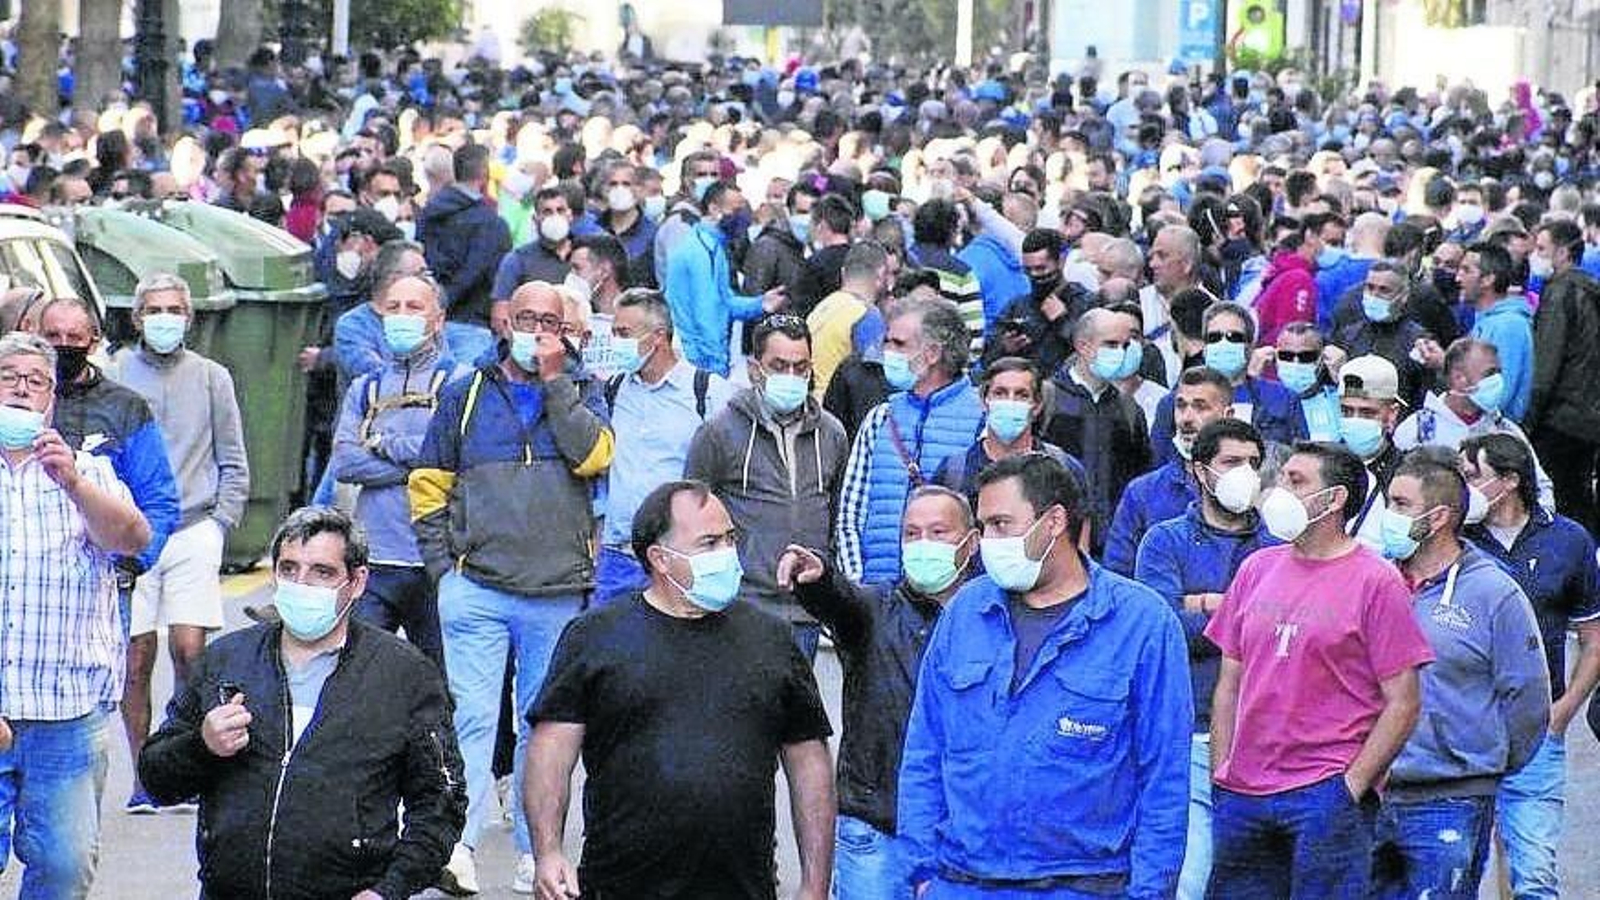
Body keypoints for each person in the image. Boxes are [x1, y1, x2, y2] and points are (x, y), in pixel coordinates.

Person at [897, 453, 1192, 898]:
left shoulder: (1141, 623)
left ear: (1053, 522)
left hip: (1085, 884)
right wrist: (921, 874)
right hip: (961, 881)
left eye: (1001, 525)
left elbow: (1164, 776)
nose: (988, 541)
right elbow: (924, 750)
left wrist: (1149, 893)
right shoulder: (966, 612)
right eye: (983, 526)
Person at [525, 480, 835, 900]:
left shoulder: (771, 639)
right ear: (660, 559)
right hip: (620, 886)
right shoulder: (595, 637)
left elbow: (809, 765)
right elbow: (551, 751)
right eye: (709, 543)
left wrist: (815, 885)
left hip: (742, 887)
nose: (726, 553)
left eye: (730, 539)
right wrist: (547, 852)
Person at [137, 506, 468, 900]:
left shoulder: (404, 675)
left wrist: (389, 889)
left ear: (357, 582)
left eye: (322, 572)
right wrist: (202, 746)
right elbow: (156, 778)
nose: (302, 584)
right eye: (289, 569)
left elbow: (441, 800)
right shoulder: (227, 661)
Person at [408, 280, 613, 893]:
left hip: (556, 591)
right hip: (477, 586)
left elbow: (595, 457)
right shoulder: (465, 392)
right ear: (505, 323)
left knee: (541, 725)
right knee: (471, 719)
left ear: (566, 333)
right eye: (527, 320)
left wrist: (556, 384)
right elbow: (429, 482)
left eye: (550, 323)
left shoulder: (584, 390)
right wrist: (443, 569)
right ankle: (460, 845)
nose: (537, 333)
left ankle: (535, 848)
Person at [1205, 441, 1434, 898]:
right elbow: (1229, 681)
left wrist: (1351, 786)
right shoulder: (1255, 569)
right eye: (1282, 478)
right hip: (1243, 792)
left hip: (1324, 792)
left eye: (1296, 481)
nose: (1279, 491)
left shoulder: (1376, 580)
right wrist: (1222, 771)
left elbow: (1404, 701)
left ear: (1334, 499)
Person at [775, 485, 979, 900]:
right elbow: (839, 599)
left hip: (962, 833)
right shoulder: (876, 609)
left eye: (938, 532)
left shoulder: (993, 617)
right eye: (911, 533)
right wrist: (818, 577)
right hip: (875, 830)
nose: (923, 544)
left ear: (971, 542)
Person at [0, 332, 148, 896]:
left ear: (52, 401)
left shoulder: (89, 472)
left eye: (36, 381)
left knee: (65, 867)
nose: (21, 389)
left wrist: (75, 483)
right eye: (8, 377)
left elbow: (131, 539)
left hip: (64, 711)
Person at [1370, 448, 1549, 900]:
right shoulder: (1373, 581)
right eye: (1389, 502)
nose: (1389, 515)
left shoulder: (1494, 592)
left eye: (1401, 504)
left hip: (1451, 799)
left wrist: (1480, 763)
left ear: (1439, 517)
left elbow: (1528, 698)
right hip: (1368, 793)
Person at [106, 272, 250, 815]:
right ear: (137, 317)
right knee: (135, 657)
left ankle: (183, 760)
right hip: (134, 531)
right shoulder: (117, 373)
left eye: (174, 309)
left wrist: (221, 522)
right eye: (154, 310)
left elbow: (233, 457)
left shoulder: (212, 377)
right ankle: (144, 774)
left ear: (189, 318)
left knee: (190, 650)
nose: (164, 319)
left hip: (194, 528)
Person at [1134, 417, 1276, 899]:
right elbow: (1165, 629)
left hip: (1263, 736)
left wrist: (1206, 603)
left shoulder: (1278, 547)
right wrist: (1241, 611)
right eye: (1232, 462)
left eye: (1253, 463)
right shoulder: (1165, 540)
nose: (1245, 474)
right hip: (1188, 730)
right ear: (1200, 470)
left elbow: (1282, 636)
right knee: (1190, 881)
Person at [1460, 433, 1600, 900]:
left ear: (1509, 481)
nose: (1463, 487)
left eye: (1472, 476)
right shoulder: (1453, 539)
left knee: (1535, 874)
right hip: (1462, 730)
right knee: (1456, 871)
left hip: (1537, 729)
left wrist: (1564, 710)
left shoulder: (1568, 540)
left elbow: (1593, 638)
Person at [685, 314, 847, 659]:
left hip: (807, 609)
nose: (791, 376)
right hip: (742, 607)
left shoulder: (831, 434)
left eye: (800, 367)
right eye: (779, 366)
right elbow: (691, 517)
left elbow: (837, 515)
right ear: (755, 369)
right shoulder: (719, 432)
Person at [331, 272, 468, 669]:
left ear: (438, 320)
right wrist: (418, 469)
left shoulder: (459, 382)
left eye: (414, 307)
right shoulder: (366, 387)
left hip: (438, 560)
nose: (402, 316)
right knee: (360, 674)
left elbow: (452, 455)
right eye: (394, 308)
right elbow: (345, 461)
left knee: (441, 679)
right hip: (374, 560)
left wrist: (382, 443)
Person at [39, 296, 180, 638]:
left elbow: (158, 499)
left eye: (74, 337)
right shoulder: (17, 402)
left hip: (104, 584)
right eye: (53, 336)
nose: (63, 345)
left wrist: (133, 563)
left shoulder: (125, 408)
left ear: (94, 341)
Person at [594, 288, 733, 608]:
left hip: (678, 559)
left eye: (623, 333)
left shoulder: (707, 393)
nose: (615, 342)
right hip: (617, 560)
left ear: (658, 336)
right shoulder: (613, 390)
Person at [836, 297, 985, 584]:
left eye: (899, 344)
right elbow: (850, 514)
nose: (887, 352)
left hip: (952, 592)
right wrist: (857, 585)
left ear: (932, 353)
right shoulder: (881, 417)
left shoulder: (981, 419)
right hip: (879, 592)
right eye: (887, 342)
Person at [1392, 338, 1556, 508]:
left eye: (1498, 373)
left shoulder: (1506, 430)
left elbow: (1541, 488)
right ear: (1459, 378)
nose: (1498, 381)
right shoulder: (1417, 431)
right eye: (1489, 374)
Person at [1042, 307, 1152, 554]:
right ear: (1083, 346)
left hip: (1114, 543)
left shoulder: (1128, 409)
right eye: (1111, 344)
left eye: (1125, 345)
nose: (1120, 353)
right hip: (1056, 540)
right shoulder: (1048, 399)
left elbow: (1140, 474)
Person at [1105, 366, 1233, 575]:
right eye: (1181, 406)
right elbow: (1117, 573)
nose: (1186, 419)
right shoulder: (1142, 493)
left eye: (1200, 407)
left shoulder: (1245, 489)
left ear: (1227, 415)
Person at [1148, 302, 1306, 469]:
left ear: (1250, 346)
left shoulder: (1283, 399)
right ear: (1205, 348)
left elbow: (1300, 461)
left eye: (1233, 337)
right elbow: (1157, 465)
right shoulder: (1172, 403)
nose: (1223, 343)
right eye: (1214, 337)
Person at [663, 180, 787, 377]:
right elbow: (707, 314)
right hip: (698, 361)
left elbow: (723, 302)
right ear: (714, 209)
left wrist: (760, 304)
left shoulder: (711, 245)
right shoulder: (702, 251)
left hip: (697, 359)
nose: (742, 217)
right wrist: (717, 368)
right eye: (735, 210)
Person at [1525, 218, 1600, 533]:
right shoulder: (1588, 290)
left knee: (1561, 499)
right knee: (1578, 493)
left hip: (1561, 415)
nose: (1536, 256)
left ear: (1564, 252)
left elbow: (1547, 362)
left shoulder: (1560, 293)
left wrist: (1530, 419)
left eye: (1542, 249)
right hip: (1587, 414)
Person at [931, 356, 1083, 511]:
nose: (1010, 402)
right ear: (984, 401)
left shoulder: (1064, 467)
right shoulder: (954, 471)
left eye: (1022, 395)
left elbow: (1081, 521)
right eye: (1000, 393)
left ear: (1037, 406)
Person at [419, 143, 513, 366]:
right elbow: (487, 273)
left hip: (426, 324)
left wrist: (439, 302)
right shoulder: (492, 223)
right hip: (473, 323)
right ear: (485, 174)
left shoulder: (427, 213)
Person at [1331, 259, 1433, 409]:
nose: (1374, 295)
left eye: (1384, 290)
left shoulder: (1417, 341)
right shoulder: (1349, 335)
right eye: (1370, 288)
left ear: (1403, 295)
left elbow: (1424, 396)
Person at [1337, 354, 1407, 548]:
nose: (1354, 420)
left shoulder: (1406, 472)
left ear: (1392, 414)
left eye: (1367, 412)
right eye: (1346, 411)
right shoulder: (1322, 465)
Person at [1460, 242, 1533, 422]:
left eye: (1466, 270)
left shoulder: (1509, 326)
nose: (1457, 278)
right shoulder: (1484, 321)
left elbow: (1499, 394)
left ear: (1488, 280)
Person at [808, 240, 891, 399]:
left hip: (812, 403)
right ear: (881, 275)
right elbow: (872, 379)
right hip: (838, 405)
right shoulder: (867, 315)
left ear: (843, 272)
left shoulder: (822, 308)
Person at [1270, 321, 1341, 441]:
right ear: (1276, 357)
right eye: (1286, 356)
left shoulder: (1337, 397)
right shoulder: (1263, 398)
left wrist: (1343, 379)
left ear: (1322, 358)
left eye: (1306, 357)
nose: (1295, 363)